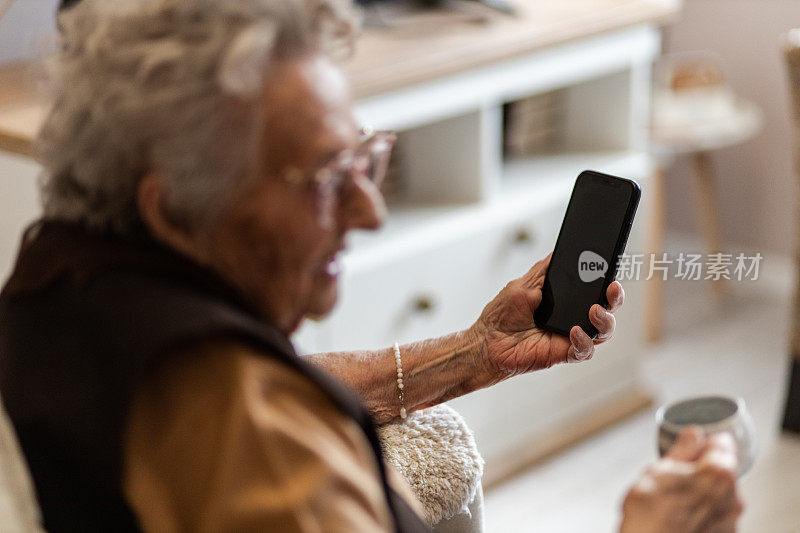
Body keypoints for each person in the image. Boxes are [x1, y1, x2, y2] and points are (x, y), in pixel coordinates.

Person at [0, 0, 742, 531]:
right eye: (326, 178)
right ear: (174, 207)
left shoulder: (62, 281)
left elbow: (285, 375)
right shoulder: (253, 443)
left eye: (367, 160)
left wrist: (473, 353)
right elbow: (257, 403)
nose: (369, 211)